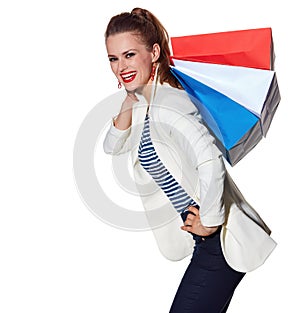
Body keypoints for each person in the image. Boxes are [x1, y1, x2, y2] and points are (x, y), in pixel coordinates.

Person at [102, 7, 276, 313]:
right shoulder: (147, 101)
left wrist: (208, 222)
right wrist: (130, 98)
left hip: (220, 242)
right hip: (205, 244)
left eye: (129, 55)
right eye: (114, 59)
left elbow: (209, 162)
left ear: (153, 52)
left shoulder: (171, 103)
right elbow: (112, 146)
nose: (120, 66)